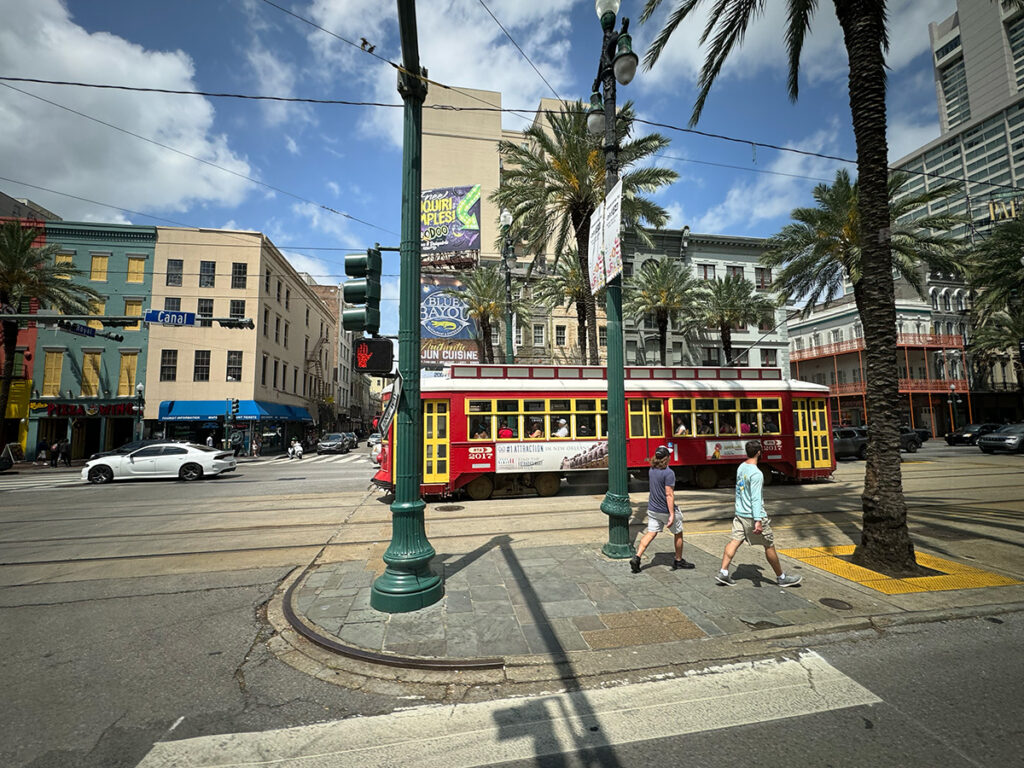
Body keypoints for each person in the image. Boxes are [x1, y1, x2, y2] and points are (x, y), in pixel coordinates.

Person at [715, 440, 802, 588]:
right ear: (758, 453)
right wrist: (758, 521)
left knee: (734, 542)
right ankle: (781, 577)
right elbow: (755, 499)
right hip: (753, 515)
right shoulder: (757, 474)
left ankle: (723, 572)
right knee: (769, 545)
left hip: (740, 514)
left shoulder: (741, 467)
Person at [630, 445, 694, 573]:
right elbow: (669, 494)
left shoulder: (652, 469)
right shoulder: (669, 473)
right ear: (667, 458)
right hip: (665, 510)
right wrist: (671, 514)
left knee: (651, 533)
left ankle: (637, 557)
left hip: (653, 509)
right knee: (678, 533)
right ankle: (678, 560)